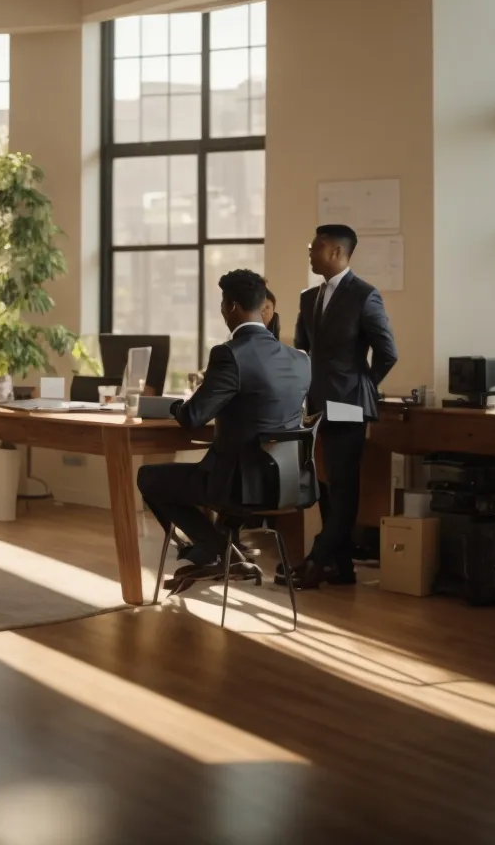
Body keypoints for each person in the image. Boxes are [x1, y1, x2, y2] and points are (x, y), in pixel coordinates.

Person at [137, 268, 311, 591]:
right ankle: (219, 552)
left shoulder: (229, 354)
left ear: (230, 307)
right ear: (263, 305)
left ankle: (216, 552)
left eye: (222, 305)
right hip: (288, 484)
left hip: (238, 486)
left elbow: (193, 417)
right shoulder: (299, 359)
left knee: (148, 478)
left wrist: (175, 406)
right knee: (196, 476)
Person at [291, 224, 398, 589]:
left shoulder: (365, 295)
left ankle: (317, 559)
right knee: (323, 484)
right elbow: (303, 350)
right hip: (316, 406)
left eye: (316, 246)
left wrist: (362, 387)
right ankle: (342, 568)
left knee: (344, 486)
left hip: (350, 405)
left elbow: (388, 353)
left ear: (336, 252)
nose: (310, 251)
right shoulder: (309, 298)